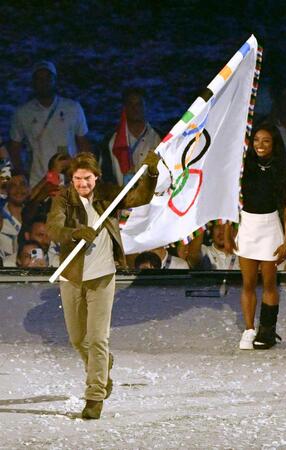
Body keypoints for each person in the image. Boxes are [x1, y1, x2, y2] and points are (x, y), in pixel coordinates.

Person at [46, 150, 159, 419]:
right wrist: (74, 233)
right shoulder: (64, 199)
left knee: (98, 338)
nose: (81, 184)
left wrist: (151, 174)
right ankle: (103, 365)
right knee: (78, 339)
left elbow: (140, 196)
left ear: (96, 177)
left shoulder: (108, 194)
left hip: (102, 276)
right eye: (76, 179)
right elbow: (53, 228)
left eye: (86, 179)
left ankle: (95, 395)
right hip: (72, 276)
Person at [225, 122, 286, 350]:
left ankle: (267, 330)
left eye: (265, 141)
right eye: (256, 140)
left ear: (274, 143)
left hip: (270, 226)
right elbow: (231, 203)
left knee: (268, 282)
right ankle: (248, 329)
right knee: (247, 283)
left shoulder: (283, 169)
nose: (260, 145)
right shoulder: (243, 166)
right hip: (247, 225)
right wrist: (229, 232)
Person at [8, 60, 91, 186]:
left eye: (48, 78)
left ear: (55, 80)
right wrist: (21, 175)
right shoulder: (23, 113)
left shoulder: (73, 108)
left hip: (69, 179)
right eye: (39, 79)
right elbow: (14, 148)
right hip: (37, 181)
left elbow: (83, 143)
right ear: (33, 82)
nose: (44, 82)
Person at [100, 87, 161, 185]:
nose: (134, 108)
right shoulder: (110, 140)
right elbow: (104, 175)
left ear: (146, 107)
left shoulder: (160, 138)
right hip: (121, 197)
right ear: (124, 108)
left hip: (153, 198)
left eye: (139, 104)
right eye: (130, 104)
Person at [0, 172, 30, 257]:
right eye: (13, 185)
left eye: (22, 184)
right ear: (6, 190)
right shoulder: (1, 217)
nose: (19, 190)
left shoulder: (36, 215)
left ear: (28, 189)